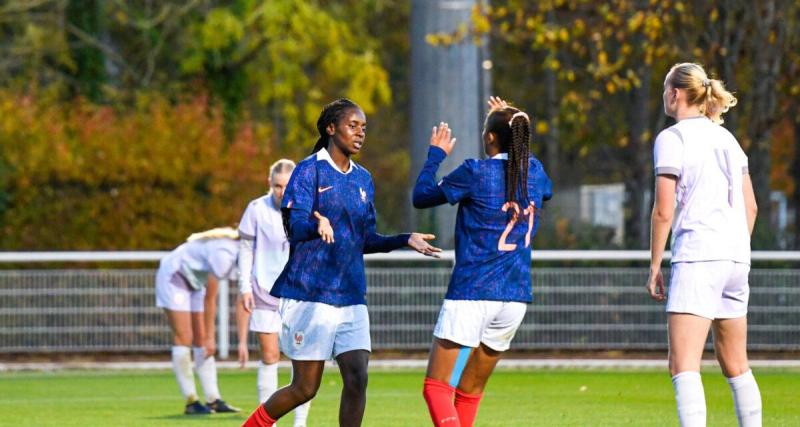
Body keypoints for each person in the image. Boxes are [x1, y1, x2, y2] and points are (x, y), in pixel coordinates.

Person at [242, 98, 442, 427]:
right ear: (331, 128)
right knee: (305, 388)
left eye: (364, 127)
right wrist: (316, 226)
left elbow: (365, 239)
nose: (360, 133)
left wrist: (403, 239)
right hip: (310, 294)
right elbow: (293, 228)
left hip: (350, 295)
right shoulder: (309, 170)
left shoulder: (363, 179)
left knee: (357, 377)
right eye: (353, 126)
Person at [412, 96, 552, 427]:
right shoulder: (535, 172)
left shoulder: (475, 171)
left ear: (489, 137)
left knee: (436, 388)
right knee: (470, 390)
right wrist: (511, 117)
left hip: (473, 292)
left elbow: (421, 197)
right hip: (514, 297)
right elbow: (539, 187)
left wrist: (436, 156)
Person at [646, 62, 761, 427]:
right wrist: (735, 248)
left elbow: (664, 210)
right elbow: (751, 205)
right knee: (736, 365)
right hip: (736, 258)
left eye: (666, 89)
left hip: (698, 257)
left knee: (683, 365)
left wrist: (654, 265)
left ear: (675, 94)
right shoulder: (726, 138)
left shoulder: (672, 138)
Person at [236, 158, 311, 426]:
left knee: (302, 360)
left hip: (300, 294)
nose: (282, 191)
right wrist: (244, 287)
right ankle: (269, 422)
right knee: (269, 356)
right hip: (265, 291)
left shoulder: (308, 208)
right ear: (270, 184)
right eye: (277, 186)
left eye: (286, 186)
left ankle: (300, 422)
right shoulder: (256, 209)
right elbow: (245, 251)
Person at [155, 227, 242, 415]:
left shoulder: (243, 252)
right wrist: (211, 337)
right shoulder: (223, 253)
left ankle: (213, 399)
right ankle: (191, 401)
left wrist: (207, 338)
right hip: (174, 276)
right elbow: (210, 299)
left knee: (200, 341)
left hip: (195, 281)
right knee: (185, 337)